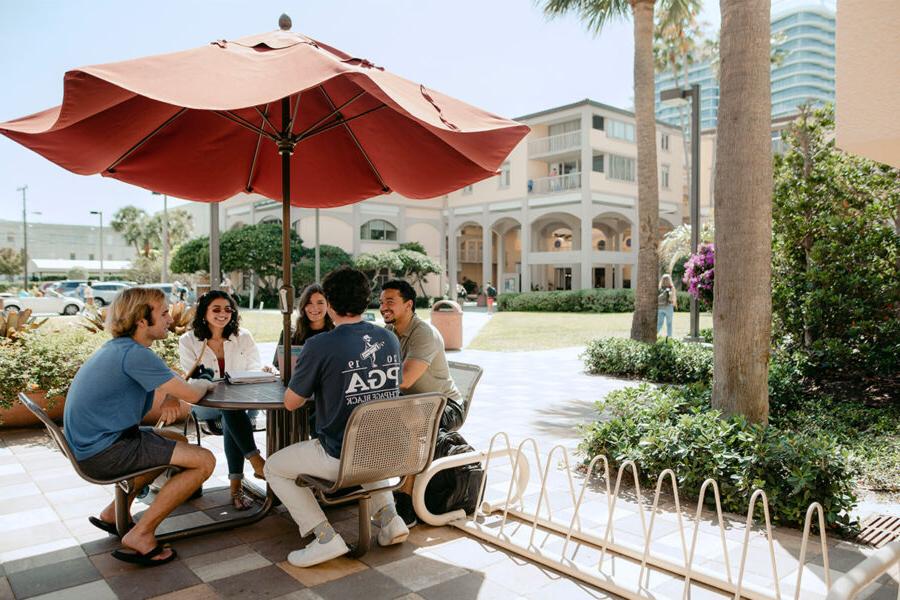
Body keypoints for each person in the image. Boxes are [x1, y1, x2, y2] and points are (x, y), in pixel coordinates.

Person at [63, 287, 217, 567]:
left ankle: (113, 514)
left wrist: (175, 391)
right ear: (141, 320)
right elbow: (193, 394)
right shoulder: (136, 355)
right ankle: (141, 535)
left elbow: (167, 380)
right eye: (164, 313)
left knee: (174, 441)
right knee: (205, 461)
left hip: (93, 447)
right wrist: (209, 382)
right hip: (105, 453)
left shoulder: (123, 349)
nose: (170, 318)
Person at [264, 267, 407, 568]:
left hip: (341, 456)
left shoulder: (320, 344)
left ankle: (324, 537)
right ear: (367, 300)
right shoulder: (389, 338)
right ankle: (391, 521)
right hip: (388, 449)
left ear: (328, 303)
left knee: (274, 467)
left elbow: (291, 403)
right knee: (368, 447)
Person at [380, 279, 464, 526]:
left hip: (445, 405)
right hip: (411, 404)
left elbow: (404, 379)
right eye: (382, 301)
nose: (384, 306)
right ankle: (374, 489)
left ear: (408, 305)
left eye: (391, 301)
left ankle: (405, 500)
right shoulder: (389, 333)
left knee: (413, 425)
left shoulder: (423, 333)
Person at [179, 290, 268, 510]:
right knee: (230, 409)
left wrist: (260, 372)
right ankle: (254, 461)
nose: (223, 314)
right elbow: (193, 379)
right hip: (205, 404)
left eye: (228, 309)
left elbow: (254, 368)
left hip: (242, 402)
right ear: (204, 313)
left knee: (231, 410)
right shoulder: (189, 340)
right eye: (216, 309)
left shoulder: (243, 336)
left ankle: (239, 486)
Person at [657, 274, 678, 338]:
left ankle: (653, 334)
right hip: (668, 307)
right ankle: (669, 337)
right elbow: (674, 299)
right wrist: (674, 304)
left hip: (660, 307)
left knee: (660, 323)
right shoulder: (672, 288)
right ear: (670, 280)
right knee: (669, 324)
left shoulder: (659, 288)